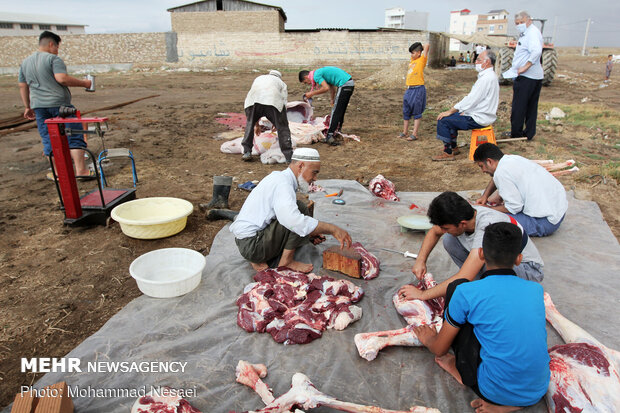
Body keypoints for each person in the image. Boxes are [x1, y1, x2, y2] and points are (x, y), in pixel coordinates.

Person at [412, 222, 550, 413]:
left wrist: (429, 339)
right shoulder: (535, 290)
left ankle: (460, 370)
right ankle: (512, 405)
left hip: (492, 391)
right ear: (519, 259)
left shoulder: (466, 292)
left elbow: (439, 349)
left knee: (456, 290)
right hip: (537, 389)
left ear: (481, 254)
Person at [398, 191, 544, 302]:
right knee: (449, 240)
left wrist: (422, 295)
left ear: (462, 223)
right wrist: (421, 260)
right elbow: (435, 231)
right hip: (498, 261)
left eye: (446, 228)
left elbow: (464, 276)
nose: (442, 231)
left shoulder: (486, 226)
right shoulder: (467, 215)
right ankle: (483, 282)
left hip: (525, 269)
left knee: (468, 273)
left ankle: (499, 291)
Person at [230, 147, 352, 273]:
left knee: (296, 210)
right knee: (299, 210)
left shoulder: (279, 177)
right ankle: (285, 262)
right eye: (314, 172)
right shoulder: (283, 184)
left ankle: (258, 257)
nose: (315, 178)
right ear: (301, 166)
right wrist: (332, 229)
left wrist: (309, 233)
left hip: (245, 241)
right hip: (253, 245)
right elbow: (293, 221)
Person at [18, 31, 94, 181]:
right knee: (74, 135)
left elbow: (22, 86)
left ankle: (59, 174)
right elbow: (62, 78)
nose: (57, 50)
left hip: (39, 107)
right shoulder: (53, 59)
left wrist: (27, 106)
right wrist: (85, 83)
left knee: (48, 138)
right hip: (60, 106)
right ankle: (81, 171)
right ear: (51, 44)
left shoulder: (25, 62)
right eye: (57, 47)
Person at [473, 143, 567, 237]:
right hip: (558, 212)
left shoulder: (501, 173)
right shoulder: (511, 159)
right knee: (498, 202)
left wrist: (489, 209)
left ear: (489, 161)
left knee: (489, 220)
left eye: (481, 166)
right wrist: (485, 196)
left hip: (545, 222)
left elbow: (515, 207)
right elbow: (496, 176)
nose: (483, 171)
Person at [432, 50, 499, 161]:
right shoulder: (490, 76)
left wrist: (451, 110)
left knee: (443, 120)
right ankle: (454, 147)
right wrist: (465, 112)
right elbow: (478, 100)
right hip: (482, 115)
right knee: (451, 118)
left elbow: (471, 99)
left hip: (479, 118)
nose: (476, 61)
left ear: (487, 62)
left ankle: (448, 151)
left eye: (479, 60)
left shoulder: (486, 79)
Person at [505, 11, 544, 140]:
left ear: (529, 20)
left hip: (527, 77)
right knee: (531, 106)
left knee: (519, 107)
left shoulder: (531, 33)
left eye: (522, 22)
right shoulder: (528, 33)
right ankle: (529, 133)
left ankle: (516, 134)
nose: (519, 25)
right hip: (534, 77)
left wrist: (525, 66)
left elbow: (537, 51)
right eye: (517, 23)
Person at [241, 70, 293, 163]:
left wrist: (256, 124)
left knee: (249, 125)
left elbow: (257, 96)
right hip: (272, 101)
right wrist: (279, 121)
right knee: (283, 129)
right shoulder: (281, 83)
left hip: (252, 102)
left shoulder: (259, 78)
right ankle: (288, 156)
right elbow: (284, 102)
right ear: (279, 77)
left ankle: (247, 152)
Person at [298, 66, 354, 146]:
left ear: (306, 77)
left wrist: (311, 93)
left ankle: (330, 135)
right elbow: (331, 86)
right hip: (349, 84)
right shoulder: (319, 72)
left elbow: (326, 88)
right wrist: (332, 99)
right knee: (340, 110)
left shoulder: (316, 75)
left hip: (344, 84)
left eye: (306, 82)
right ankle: (337, 131)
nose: (308, 84)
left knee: (336, 111)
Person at [399, 42, 430, 141]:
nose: (411, 55)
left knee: (417, 110)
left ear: (419, 53)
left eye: (413, 53)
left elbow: (427, 45)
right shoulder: (412, 61)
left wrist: (420, 46)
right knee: (406, 110)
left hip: (418, 89)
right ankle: (405, 132)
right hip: (409, 89)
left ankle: (415, 133)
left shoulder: (422, 60)